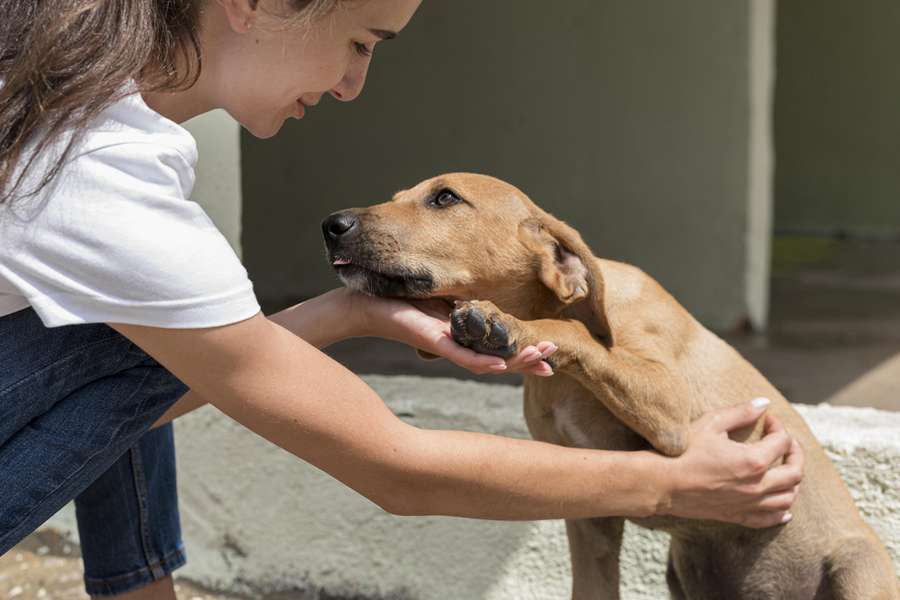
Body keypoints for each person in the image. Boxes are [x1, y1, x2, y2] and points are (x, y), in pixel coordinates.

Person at [0, 1, 804, 598]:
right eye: (358, 43)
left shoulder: (68, 99)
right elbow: (399, 470)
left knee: (162, 330)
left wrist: (355, 312)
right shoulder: (102, 172)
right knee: (151, 328)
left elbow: (196, 371)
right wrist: (676, 486)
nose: (353, 86)